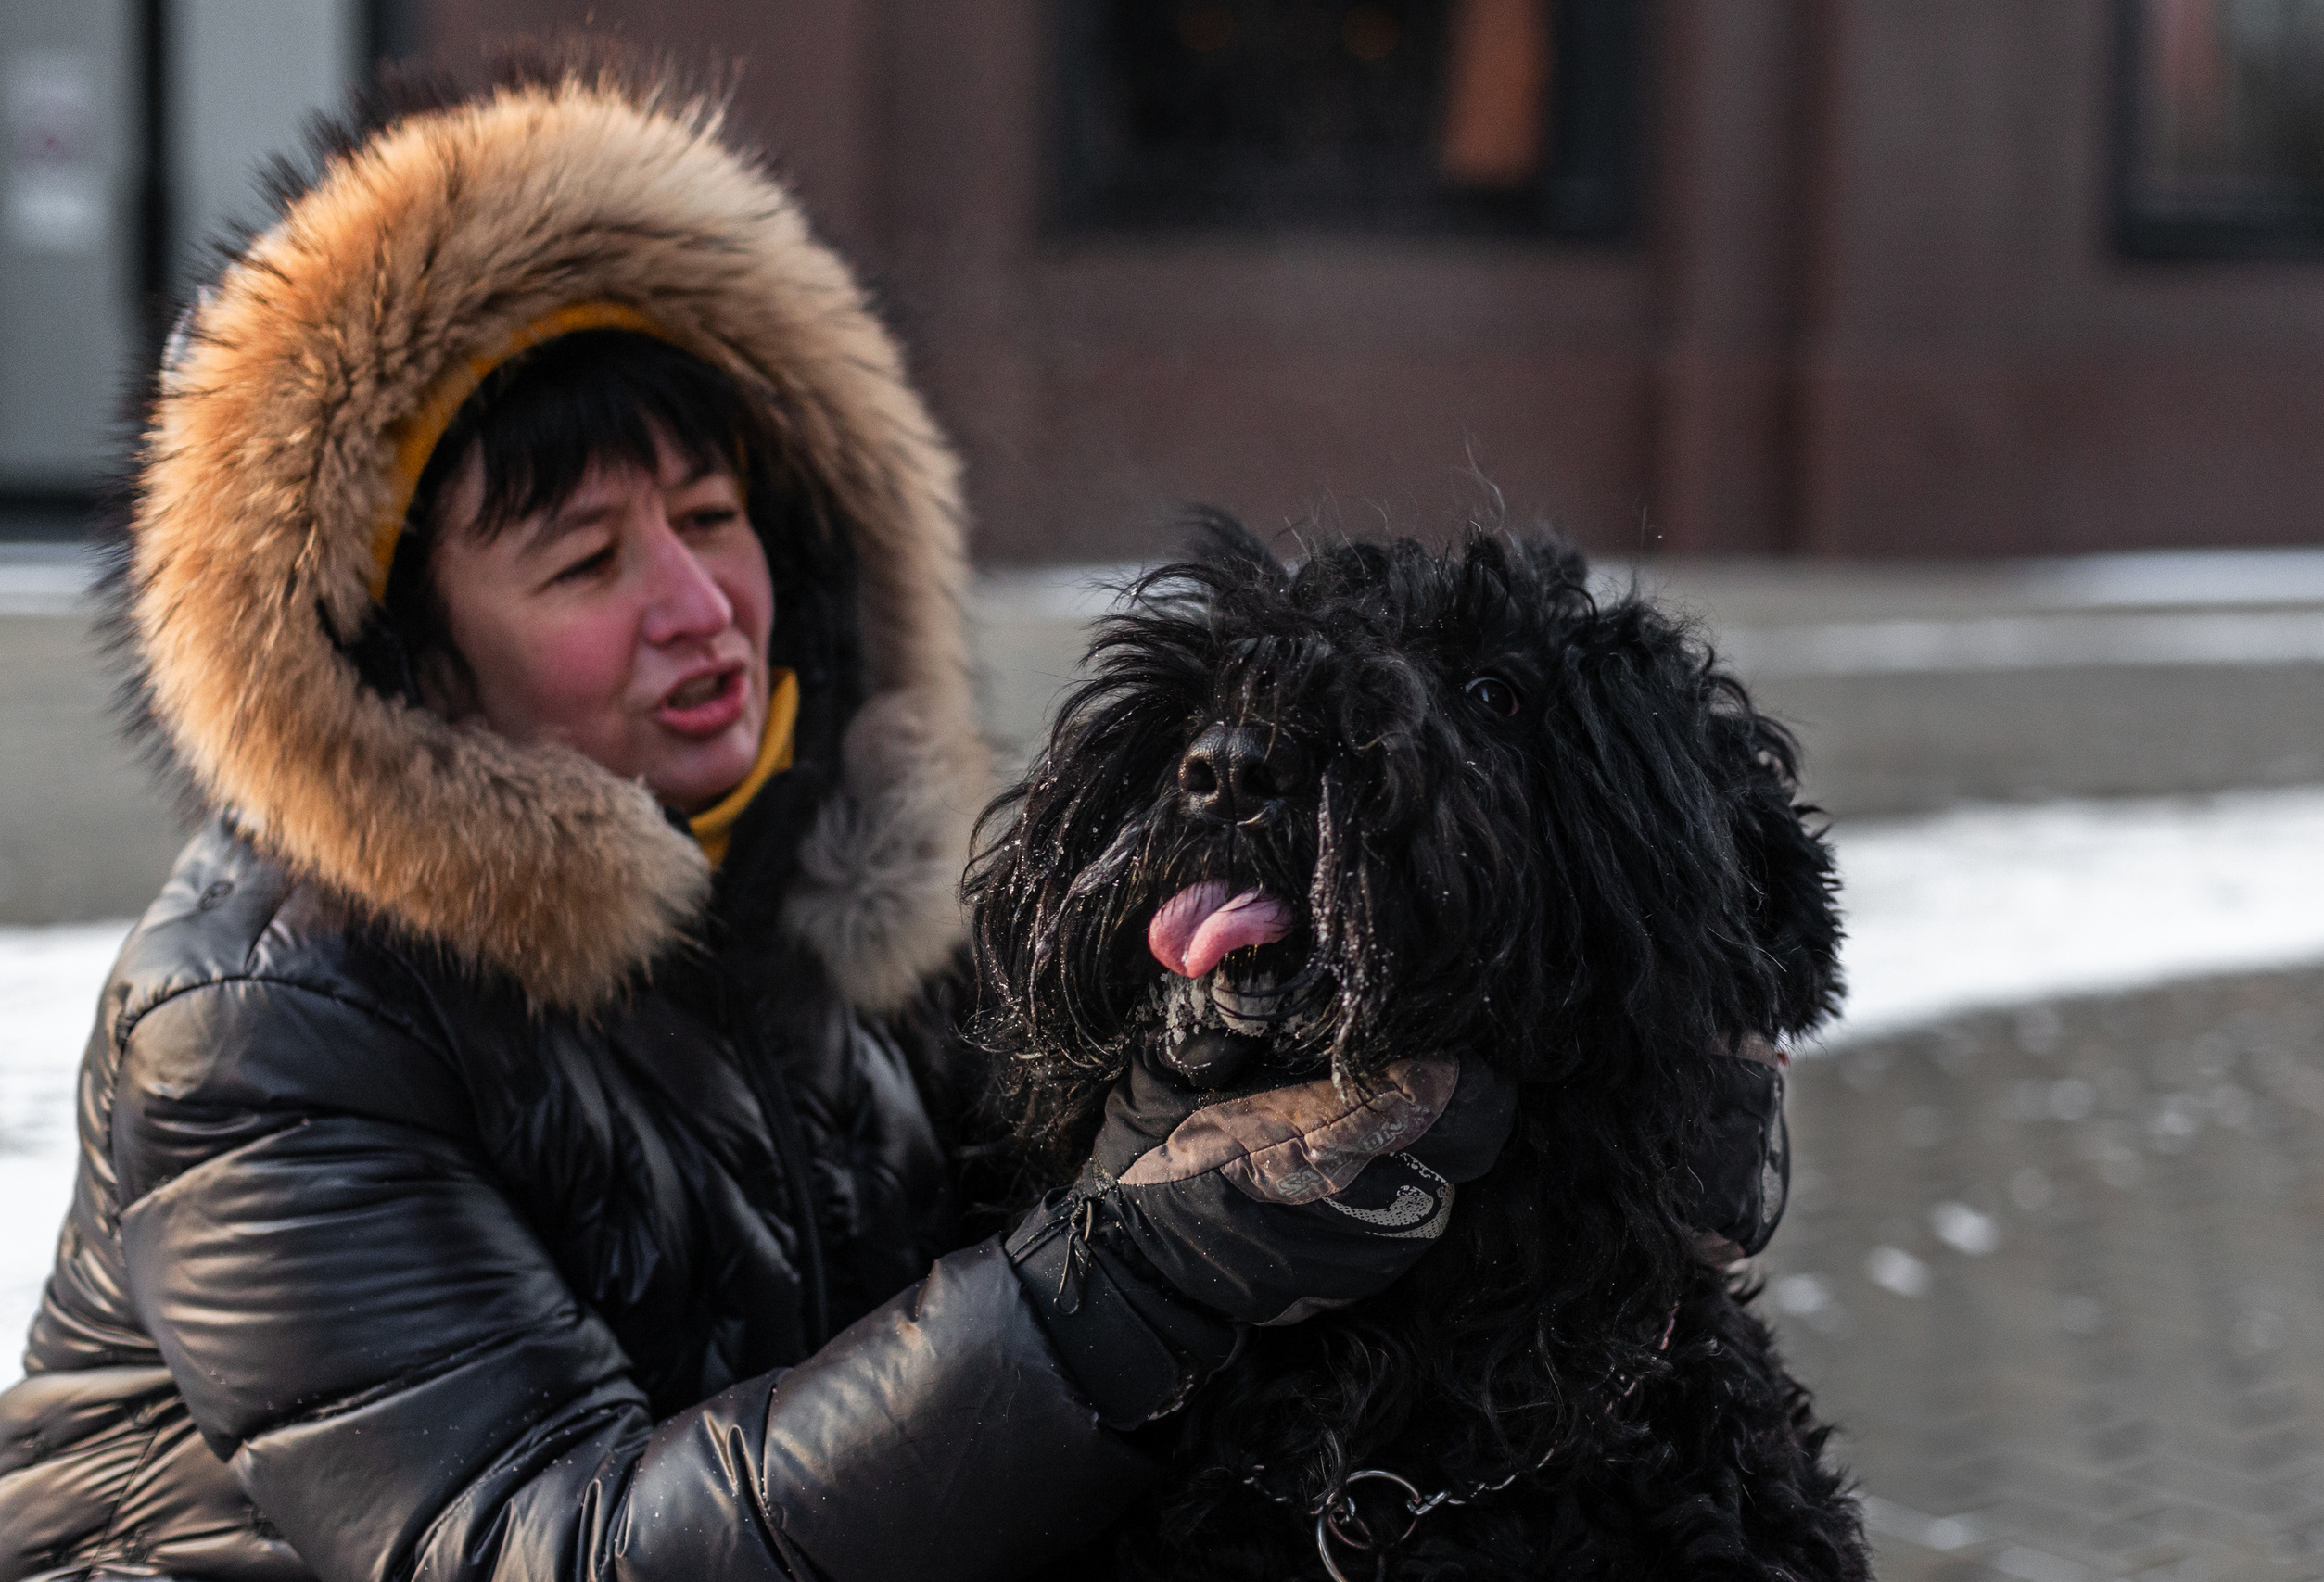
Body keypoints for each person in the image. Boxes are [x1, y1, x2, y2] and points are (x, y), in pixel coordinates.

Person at [0, 56, 1518, 1582]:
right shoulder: (261, 1024)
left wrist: (1176, 1123)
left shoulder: (829, 875)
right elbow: (538, 1547)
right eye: (585, 560)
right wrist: (1120, 1286)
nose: (697, 604)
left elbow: (1005, 1270)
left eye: (714, 516)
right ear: (402, 659)